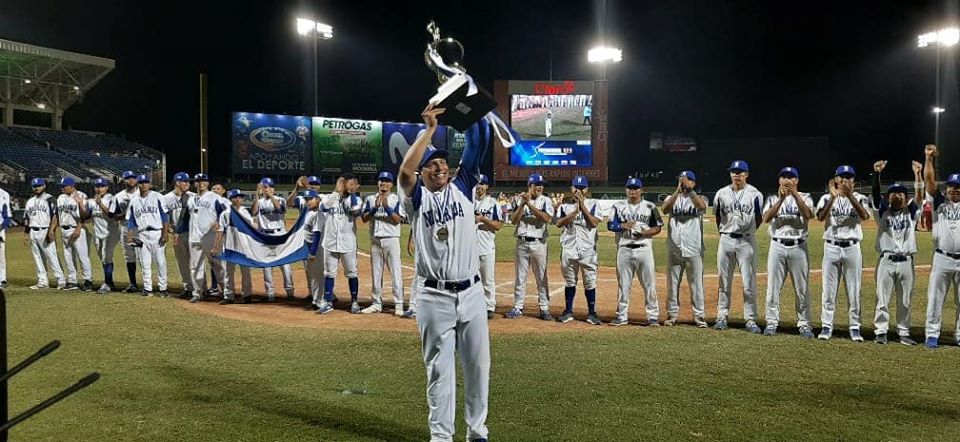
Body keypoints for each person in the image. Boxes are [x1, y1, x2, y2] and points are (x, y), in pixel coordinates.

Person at [399, 103, 490, 442]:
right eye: (431, 164)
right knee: (440, 371)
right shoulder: (416, 198)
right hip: (434, 296)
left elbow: (477, 139)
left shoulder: (463, 185)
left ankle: (477, 431)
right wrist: (430, 131)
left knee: (479, 368)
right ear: (424, 172)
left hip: (471, 293)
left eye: (442, 163)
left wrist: (465, 101)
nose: (439, 167)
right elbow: (405, 173)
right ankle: (441, 437)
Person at [815, 165, 871, 341]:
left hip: (852, 247)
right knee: (828, 290)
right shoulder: (826, 197)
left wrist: (850, 196)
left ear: (854, 181)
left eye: (849, 177)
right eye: (842, 177)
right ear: (836, 180)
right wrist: (833, 196)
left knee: (854, 290)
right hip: (831, 247)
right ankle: (826, 326)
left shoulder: (860, 198)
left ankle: (854, 327)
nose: (846, 180)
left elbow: (864, 216)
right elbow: (821, 217)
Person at [761, 167, 815, 337]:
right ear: (779, 181)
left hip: (799, 247)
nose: (787, 180)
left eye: (791, 177)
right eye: (784, 177)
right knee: (773, 287)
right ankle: (771, 322)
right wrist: (781, 200)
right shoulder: (772, 198)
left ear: (797, 181)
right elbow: (766, 219)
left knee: (802, 288)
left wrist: (795, 196)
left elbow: (808, 214)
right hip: (777, 246)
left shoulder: (805, 197)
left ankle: (804, 324)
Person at [869, 161, 919, 345]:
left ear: (906, 198)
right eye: (893, 193)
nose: (897, 196)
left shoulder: (911, 212)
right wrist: (877, 174)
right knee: (882, 298)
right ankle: (881, 331)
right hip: (886, 261)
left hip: (906, 261)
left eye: (901, 193)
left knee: (905, 300)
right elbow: (875, 194)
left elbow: (920, 196)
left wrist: (917, 175)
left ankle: (903, 332)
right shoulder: (882, 211)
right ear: (888, 197)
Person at [713, 160, 764, 332]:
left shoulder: (755, 194)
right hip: (726, 240)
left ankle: (750, 319)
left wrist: (749, 232)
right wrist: (724, 233)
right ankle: (722, 316)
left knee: (749, 282)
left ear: (747, 175)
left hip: (746, 241)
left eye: (740, 172)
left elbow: (759, 217)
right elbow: (718, 217)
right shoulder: (721, 193)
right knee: (723, 281)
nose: (737, 175)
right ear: (730, 174)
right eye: (734, 172)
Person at [608, 178, 663, 326]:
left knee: (649, 284)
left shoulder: (650, 206)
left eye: (636, 188)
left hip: (644, 249)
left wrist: (645, 233)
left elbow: (658, 227)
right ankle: (621, 316)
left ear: (641, 190)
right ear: (626, 190)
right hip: (624, 249)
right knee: (623, 285)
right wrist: (623, 225)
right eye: (630, 188)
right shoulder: (618, 206)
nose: (633, 191)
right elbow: (610, 225)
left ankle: (652, 316)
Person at [921, 144, 960, 349]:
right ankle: (932, 335)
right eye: (952, 186)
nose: (954, 189)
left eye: (958, 187)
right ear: (947, 189)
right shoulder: (939, 202)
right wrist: (929, 159)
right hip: (942, 258)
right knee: (935, 298)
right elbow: (929, 180)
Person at [661, 170, 708, 328]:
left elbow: (702, 207)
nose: (683, 182)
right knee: (672, 284)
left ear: (693, 182)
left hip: (694, 248)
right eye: (681, 179)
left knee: (696, 284)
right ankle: (672, 315)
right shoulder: (672, 198)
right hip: (674, 248)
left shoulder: (700, 198)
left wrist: (690, 191)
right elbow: (665, 209)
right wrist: (677, 191)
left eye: (686, 180)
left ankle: (699, 316)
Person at [505, 173, 554, 320]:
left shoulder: (546, 200)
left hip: (539, 243)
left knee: (541, 277)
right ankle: (518, 307)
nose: (540, 187)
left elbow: (547, 218)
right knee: (520, 277)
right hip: (522, 242)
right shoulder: (519, 200)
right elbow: (513, 221)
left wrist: (529, 205)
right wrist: (522, 204)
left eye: (541, 185)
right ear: (530, 186)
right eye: (537, 184)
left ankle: (544, 308)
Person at [555, 176, 602, 324]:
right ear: (571, 189)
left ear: (587, 190)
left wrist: (582, 206)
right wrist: (575, 211)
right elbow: (559, 223)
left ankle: (592, 313)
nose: (579, 190)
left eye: (582, 188)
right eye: (576, 187)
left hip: (588, 250)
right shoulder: (564, 207)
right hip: (569, 249)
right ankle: (568, 311)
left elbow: (594, 223)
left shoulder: (594, 204)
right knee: (570, 281)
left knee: (590, 281)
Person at [361, 171, 407, 315]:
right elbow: (364, 218)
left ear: (391, 184)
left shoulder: (397, 199)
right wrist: (374, 208)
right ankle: (376, 303)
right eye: (381, 180)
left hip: (391, 239)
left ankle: (398, 304)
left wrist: (387, 207)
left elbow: (398, 219)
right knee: (376, 273)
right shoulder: (370, 199)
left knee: (396, 272)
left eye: (387, 181)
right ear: (378, 183)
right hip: (375, 240)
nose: (383, 183)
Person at [321, 173, 363, 313]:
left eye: (352, 183)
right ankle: (327, 302)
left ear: (356, 185)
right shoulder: (330, 198)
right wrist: (336, 191)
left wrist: (351, 194)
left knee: (352, 272)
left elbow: (355, 211)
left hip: (348, 243)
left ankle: (354, 302)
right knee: (329, 273)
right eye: (347, 183)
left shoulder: (356, 200)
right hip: (330, 242)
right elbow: (323, 206)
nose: (349, 186)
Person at [251, 177, 295, 301]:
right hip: (264, 236)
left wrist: (271, 197)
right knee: (267, 265)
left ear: (273, 188)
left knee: (285, 264)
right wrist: (256, 194)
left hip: (279, 235)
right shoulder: (259, 202)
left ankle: (290, 291)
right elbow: (253, 212)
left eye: (269, 187)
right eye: (264, 187)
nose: (267, 189)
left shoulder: (280, 199)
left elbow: (280, 209)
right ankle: (270, 293)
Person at [126, 175, 169, 297]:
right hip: (142, 234)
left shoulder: (157, 196)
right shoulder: (134, 200)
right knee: (145, 263)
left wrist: (165, 233)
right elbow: (131, 221)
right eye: (141, 182)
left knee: (161, 262)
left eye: (146, 182)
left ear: (150, 184)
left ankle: (163, 288)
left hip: (157, 232)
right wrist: (129, 236)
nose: (143, 185)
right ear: (137, 184)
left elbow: (165, 216)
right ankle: (147, 288)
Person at [186, 173, 226, 303]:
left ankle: (226, 291)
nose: (201, 183)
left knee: (218, 265)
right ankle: (197, 293)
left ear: (208, 183)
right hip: (194, 237)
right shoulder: (191, 199)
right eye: (198, 180)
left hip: (210, 237)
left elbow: (225, 214)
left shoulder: (215, 198)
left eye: (203, 180)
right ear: (195, 183)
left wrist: (220, 223)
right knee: (195, 266)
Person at [212, 189, 254, 304]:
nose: (238, 199)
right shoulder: (225, 214)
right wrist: (216, 247)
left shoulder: (245, 212)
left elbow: (251, 227)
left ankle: (247, 294)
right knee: (228, 272)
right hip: (229, 247)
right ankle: (228, 295)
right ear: (230, 199)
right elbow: (220, 231)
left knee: (246, 272)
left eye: (240, 197)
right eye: (235, 197)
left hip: (244, 247)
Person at [23, 178, 65, 290]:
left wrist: (51, 230)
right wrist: (26, 233)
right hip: (33, 231)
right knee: (37, 257)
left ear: (44, 186)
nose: (37, 188)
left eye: (39, 185)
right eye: (35, 186)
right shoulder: (30, 201)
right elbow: (27, 218)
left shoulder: (50, 199)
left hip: (45, 230)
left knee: (52, 256)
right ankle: (42, 281)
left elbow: (55, 216)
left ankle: (61, 280)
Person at [83, 178, 121, 293]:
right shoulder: (90, 201)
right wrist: (82, 206)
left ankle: (107, 284)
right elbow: (88, 218)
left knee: (106, 256)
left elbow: (111, 215)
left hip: (111, 233)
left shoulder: (112, 199)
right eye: (97, 186)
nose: (100, 188)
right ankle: (110, 282)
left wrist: (100, 204)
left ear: (107, 187)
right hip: (97, 233)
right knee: (103, 259)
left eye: (102, 186)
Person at [56, 177, 93, 291]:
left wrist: (78, 227)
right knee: (68, 256)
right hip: (64, 230)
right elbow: (59, 214)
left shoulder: (82, 196)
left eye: (64, 186)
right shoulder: (60, 198)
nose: (62, 188)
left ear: (72, 186)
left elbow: (86, 216)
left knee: (82, 256)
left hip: (77, 229)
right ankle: (72, 281)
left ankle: (88, 280)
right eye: (61, 186)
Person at [474, 174, 503, 320]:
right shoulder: (467, 201)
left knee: (488, 279)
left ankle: (489, 306)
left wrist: (483, 219)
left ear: (487, 186)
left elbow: (498, 225)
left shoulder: (493, 203)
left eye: (483, 184)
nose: (480, 186)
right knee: (471, 279)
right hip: (469, 248)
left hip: (486, 245)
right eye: (478, 183)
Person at [163, 172, 195, 297]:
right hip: (178, 234)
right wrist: (169, 228)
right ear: (177, 183)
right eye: (185, 181)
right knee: (182, 262)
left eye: (188, 181)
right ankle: (188, 288)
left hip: (193, 233)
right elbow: (165, 216)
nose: (188, 183)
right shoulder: (166, 198)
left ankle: (200, 288)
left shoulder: (194, 196)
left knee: (196, 262)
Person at [110, 171, 141, 292]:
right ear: (123, 180)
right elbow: (113, 215)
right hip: (125, 227)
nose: (131, 180)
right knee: (129, 256)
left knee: (142, 257)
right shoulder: (118, 196)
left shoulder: (143, 194)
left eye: (133, 178)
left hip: (140, 228)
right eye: (128, 178)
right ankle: (133, 283)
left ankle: (148, 285)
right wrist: (126, 214)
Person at [0, 184, 10, 288]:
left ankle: (2, 279)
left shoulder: (4, 194)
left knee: (0, 255)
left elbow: (7, 216)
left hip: (0, 229)